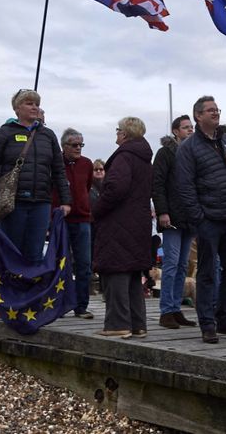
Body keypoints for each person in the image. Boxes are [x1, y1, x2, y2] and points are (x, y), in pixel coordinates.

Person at [176, 95, 226, 344]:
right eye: (210, 110)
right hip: (209, 219)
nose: (215, 113)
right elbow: (184, 187)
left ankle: (224, 318)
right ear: (198, 116)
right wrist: (199, 218)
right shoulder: (188, 147)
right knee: (207, 272)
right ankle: (207, 323)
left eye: (217, 109)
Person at [0, 89, 71, 264]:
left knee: (35, 253)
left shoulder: (48, 136)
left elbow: (58, 170)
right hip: (13, 203)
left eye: (37, 104)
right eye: (29, 103)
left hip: (41, 202)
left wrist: (65, 200)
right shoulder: (4, 133)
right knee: (12, 250)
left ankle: (32, 289)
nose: (34, 107)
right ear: (17, 108)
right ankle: (9, 289)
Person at [91, 117, 153, 338]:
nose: (116, 134)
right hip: (139, 222)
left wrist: (97, 209)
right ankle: (138, 324)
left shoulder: (124, 157)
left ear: (125, 134)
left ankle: (118, 324)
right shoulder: (145, 158)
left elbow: (116, 188)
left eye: (118, 130)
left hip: (118, 221)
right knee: (134, 274)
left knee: (115, 269)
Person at [152, 115, 198, 329]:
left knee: (183, 265)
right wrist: (162, 211)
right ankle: (166, 310)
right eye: (186, 127)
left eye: (191, 127)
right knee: (170, 264)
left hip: (189, 217)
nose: (190, 130)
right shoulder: (165, 153)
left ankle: (176, 307)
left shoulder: (194, 153)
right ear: (175, 131)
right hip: (171, 215)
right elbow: (158, 183)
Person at [55, 127, 95, 318]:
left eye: (81, 144)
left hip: (83, 219)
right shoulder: (56, 163)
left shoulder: (87, 164)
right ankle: (58, 304)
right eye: (74, 145)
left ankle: (81, 305)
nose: (78, 148)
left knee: (84, 265)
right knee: (60, 263)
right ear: (64, 147)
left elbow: (86, 187)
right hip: (61, 220)